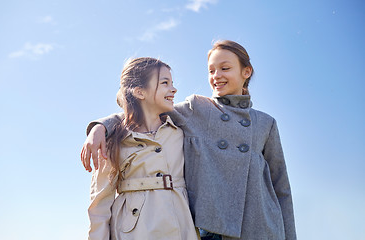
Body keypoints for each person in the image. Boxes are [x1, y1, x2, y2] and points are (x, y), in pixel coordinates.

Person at [82, 40, 297, 240]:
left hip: (262, 226)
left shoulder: (266, 123)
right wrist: (101, 127)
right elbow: (143, 110)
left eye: (225, 68)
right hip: (212, 230)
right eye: (211, 70)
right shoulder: (197, 109)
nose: (216, 75)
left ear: (246, 71)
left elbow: (282, 189)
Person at [87, 57, 199, 240]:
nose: (174, 89)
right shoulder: (113, 140)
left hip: (181, 227)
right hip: (131, 232)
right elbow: (99, 205)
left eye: (172, 83)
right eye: (165, 83)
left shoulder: (181, 132)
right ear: (140, 92)